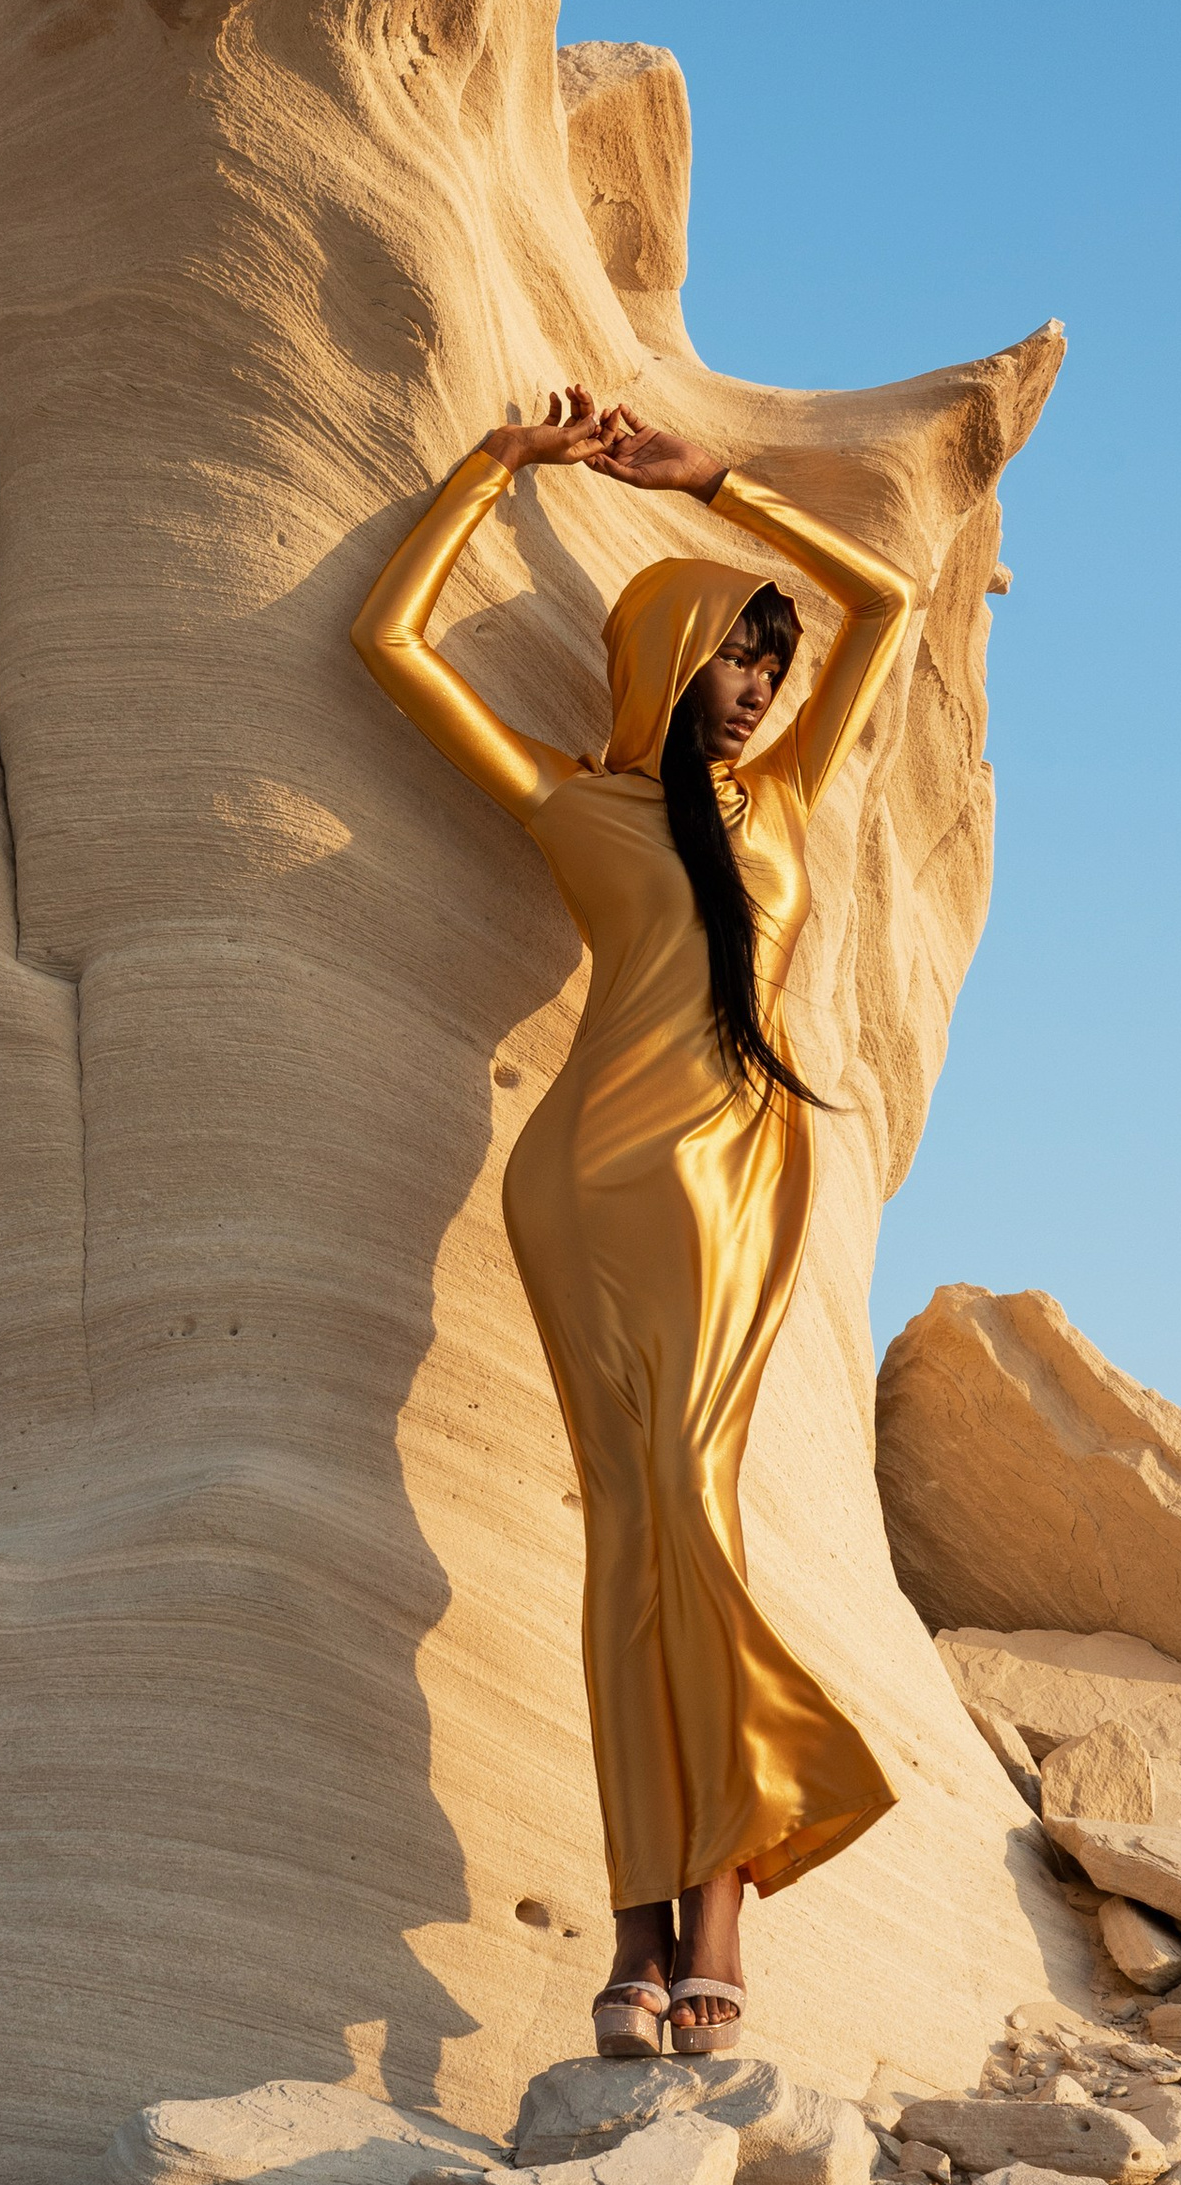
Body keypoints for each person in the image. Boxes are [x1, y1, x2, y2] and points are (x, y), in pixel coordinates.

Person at [351, 386, 917, 2057]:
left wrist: (720, 481)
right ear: (666, 655)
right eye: (737, 658)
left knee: (693, 1513)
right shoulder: (570, 801)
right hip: (590, 1182)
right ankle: (642, 1929)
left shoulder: (790, 803)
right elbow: (392, 643)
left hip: (746, 1175)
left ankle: (712, 1911)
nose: (757, 693)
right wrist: (495, 468)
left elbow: (881, 600)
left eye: (770, 668)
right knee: (631, 1535)